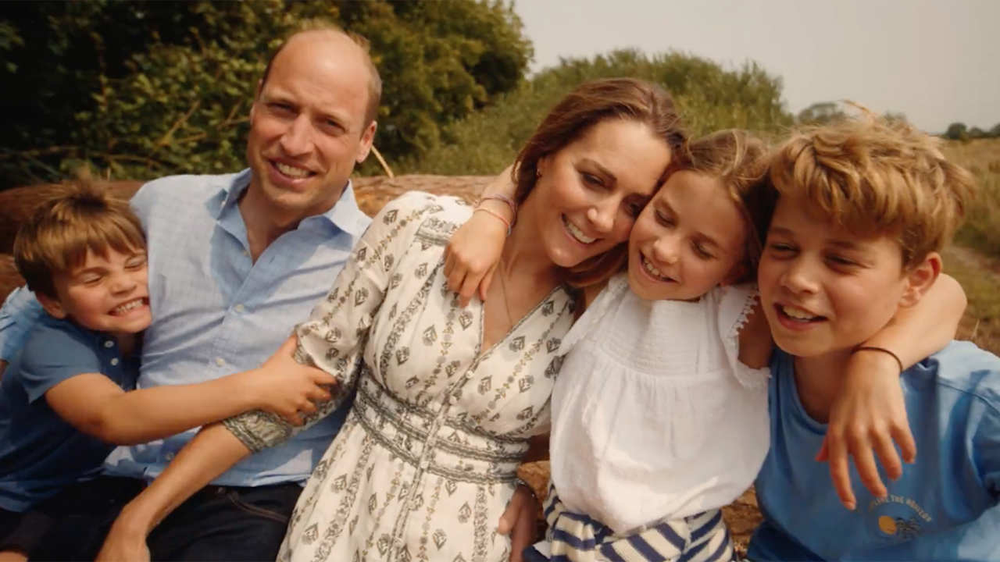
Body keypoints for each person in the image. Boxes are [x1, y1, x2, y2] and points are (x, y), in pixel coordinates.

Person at [94, 77, 688, 561]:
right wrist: (139, 517)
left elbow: (588, 442)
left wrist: (510, 475)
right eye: (593, 180)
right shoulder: (419, 228)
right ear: (546, 156)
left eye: (633, 205)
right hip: (335, 534)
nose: (604, 218)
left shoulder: (603, 311)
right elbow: (293, 394)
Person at [449, 130, 965, 562]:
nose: (664, 250)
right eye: (663, 217)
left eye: (702, 248)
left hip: (674, 544)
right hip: (570, 530)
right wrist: (493, 212)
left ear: (736, 267)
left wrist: (878, 361)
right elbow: (542, 162)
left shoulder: (741, 316)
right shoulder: (607, 281)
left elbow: (945, 291)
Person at [0, 183, 332, 559]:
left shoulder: (140, 331)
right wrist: (257, 387)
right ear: (53, 303)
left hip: (81, 489)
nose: (122, 284)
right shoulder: (53, 345)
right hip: (17, 498)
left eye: (134, 265)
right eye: (93, 279)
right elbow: (112, 417)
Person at [746, 116, 999, 560]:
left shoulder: (971, 403)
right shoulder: (751, 367)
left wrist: (878, 359)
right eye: (783, 248)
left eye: (841, 260)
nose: (799, 278)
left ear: (916, 280)